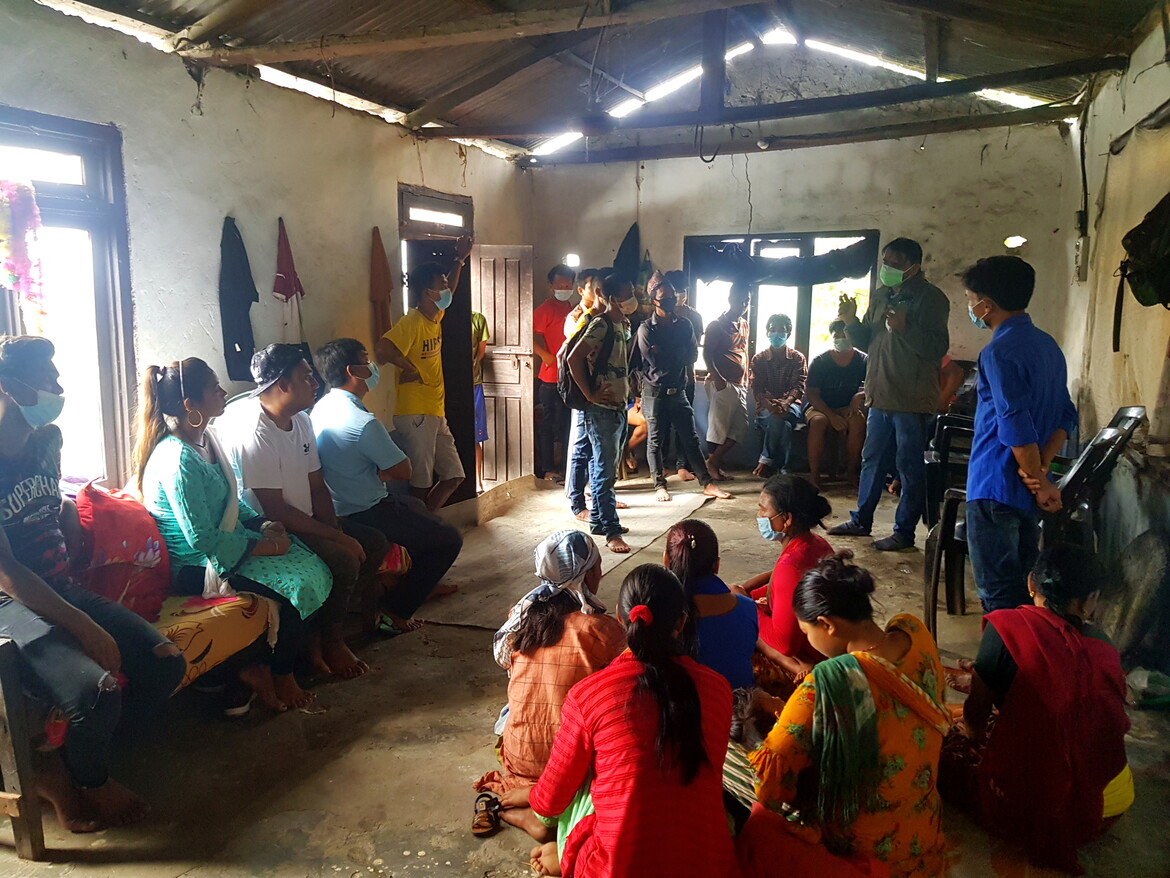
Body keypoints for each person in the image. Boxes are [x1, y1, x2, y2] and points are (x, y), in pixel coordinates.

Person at [0, 336, 186, 832]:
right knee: (97, 691)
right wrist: (83, 623)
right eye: (48, 378)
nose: (58, 388)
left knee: (165, 663)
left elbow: (54, 499)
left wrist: (70, 531)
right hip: (7, 604)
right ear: (11, 387)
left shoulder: (47, 439)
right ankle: (81, 781)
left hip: (58, 585)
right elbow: (8, 573)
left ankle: (86, 763)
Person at [514, 564, 738, 878]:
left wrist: (533, 795)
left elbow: (551, 801)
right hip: (707, 862)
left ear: (621, 618)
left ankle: (564, 851)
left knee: (587, 785)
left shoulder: (589, 695)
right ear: (682, 622)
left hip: (615, 867)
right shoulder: (717, 688)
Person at [135, 357, 333, 711]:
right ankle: (281, 674)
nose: (223, 391)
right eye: (215, 388)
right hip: (198, 566)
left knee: (309, 561)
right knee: (294, 586)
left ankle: (266, 666)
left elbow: (231, 498)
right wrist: (265, 548)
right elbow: (201, 539)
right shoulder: (177, 459)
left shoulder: (206, 438)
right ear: (189, 405)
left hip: (228, 544)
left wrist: (261, 524)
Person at [744, 553, 950, 877]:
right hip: (924, 829)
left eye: (807, 631)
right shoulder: (914, 631)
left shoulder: (826, 683)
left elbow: (770, 785)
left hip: (866, 852)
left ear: (827, 624)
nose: (808, 640)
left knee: (758, 828)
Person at [943, 544, 1132, 874]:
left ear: (1031, 583)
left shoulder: (1007, 629)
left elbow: (974, 724)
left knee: (938, 741)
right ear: (1091, 599)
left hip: (1035, 813)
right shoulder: (1105, 647)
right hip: (1107, 803)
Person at [214, 344, 386, 679]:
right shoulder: (256, 431)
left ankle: (323, 635)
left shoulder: (302, 420)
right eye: (306, 377)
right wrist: (336, 539)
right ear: (282, 385)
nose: (315, 382)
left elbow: (317, 484)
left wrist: (335, 528)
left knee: (373, 542)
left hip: (303, 518)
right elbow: (274, 509)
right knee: (342, 557)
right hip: (274, 527)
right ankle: (327, 643)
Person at [310, 339, 464, 635]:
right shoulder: (362, 421)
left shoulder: (321, 409)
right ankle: (395, 611)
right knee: (448, 540)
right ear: (354, 371)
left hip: (336, 503)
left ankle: (416, 584)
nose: (373, 367)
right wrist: (379, 473)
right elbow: (402, 469)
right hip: (363, 510)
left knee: (417, 508)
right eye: (366, 361)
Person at [473, 531, 625, 820]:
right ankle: (547, 815)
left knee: (516, 706)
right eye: (598, 565)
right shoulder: (601, 629)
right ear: (590, 573)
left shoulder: (520, 618)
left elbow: (509, 666)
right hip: (570, 768)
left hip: (519, 757)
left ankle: (532, 806)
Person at [962, 256, 1077, 611]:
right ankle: (1021, 662)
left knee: (997, 595)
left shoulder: (997, 352)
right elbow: (1065, 416)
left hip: (995, 485)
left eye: (970, 298)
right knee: (1026, 591)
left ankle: (999, 664)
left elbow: (1014, 424)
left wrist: (1037, 477)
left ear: (986, 305)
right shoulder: (1048, 346)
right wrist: (1040, 473)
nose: (970, 306)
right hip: (1027, 490)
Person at [830, 237, 949, 551]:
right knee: (871, 460)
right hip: (880, 394)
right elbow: (869, 342)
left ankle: (904, 532)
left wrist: (905, 328)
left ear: (914, 265)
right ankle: (861, 520)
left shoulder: (930, 298)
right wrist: (851, 320)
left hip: (910, 398)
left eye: (895, 263)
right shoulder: (882, 294)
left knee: (908, 465)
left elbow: (937, 347)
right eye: (886, 262)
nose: (888, 268)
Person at [375, 235, 473, 512]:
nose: (446, 289)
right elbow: (383, 347)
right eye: (439, 285)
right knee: (420, 481)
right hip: (415, 413)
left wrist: (459, 260)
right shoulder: (413, 321)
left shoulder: (435, 317)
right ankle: (419, 532)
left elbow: (452, 288)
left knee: (454, 475)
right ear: (426, 293)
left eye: (444, 284)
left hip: (434, 411)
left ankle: (426, 520)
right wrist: (408, 367)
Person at [637, 272, 732, 503]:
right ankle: (659, 484)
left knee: (690, 438)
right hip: (654, 392)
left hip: (678, 390)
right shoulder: (646, 329)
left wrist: (666, 352)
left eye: (672, 295)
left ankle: (707, 483)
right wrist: (673, 354)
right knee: (656, 440)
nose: (670, 300)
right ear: (653, 300)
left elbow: (691, 355)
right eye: (664, 296)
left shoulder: (685, 325)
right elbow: (654, 362)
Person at [737, 475, 834, 692]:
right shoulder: (815, 543)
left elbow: (784, 644)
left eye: (763, 511)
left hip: (815, 654)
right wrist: (747, 593)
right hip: (828, 643)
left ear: (786, 519)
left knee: (736, 646)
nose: (759, 516)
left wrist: (747, 607)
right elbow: (778, 587)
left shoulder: (790, 566)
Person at [565, 274, 637, 554]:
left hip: (618, 407)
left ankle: (598, 520)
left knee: (603, 469)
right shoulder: (601, 324)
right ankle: (611, 530)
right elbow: (574, 358)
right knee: (605, 473)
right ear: (614, 298)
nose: (633, 295)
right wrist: (590, 395)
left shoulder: (622, 325)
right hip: (602, 409)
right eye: (628, 290)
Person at [664, 519, 756, 689]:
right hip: (739, 707)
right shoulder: (746, 607)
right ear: (717, 565)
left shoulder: (657, 615)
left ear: (665, 561)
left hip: (678, 709)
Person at [805, 320, 867, 488]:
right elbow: (812, 394)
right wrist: (831, 416)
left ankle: (851, 471)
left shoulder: (862, 360)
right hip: (820, 407)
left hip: (847, 407)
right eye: (837, 335)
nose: (841, 338)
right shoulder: (820, 361)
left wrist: (858, 396)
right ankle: (815, 475)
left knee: (857, 421)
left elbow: (874, 384)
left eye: (844, 335)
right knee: (819, 422)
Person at [703, 282, 751, 481]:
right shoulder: (717, 325)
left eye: (747, 300)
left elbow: (743, 353)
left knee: (741, 426)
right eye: (741, 299)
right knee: (718, 429)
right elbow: (707, 354)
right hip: (722, 383)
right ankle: (712, 465)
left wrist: (746, 378)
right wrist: (717, 378)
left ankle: (713, 461)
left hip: (739, 384)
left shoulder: (744, 324)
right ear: (731, 299)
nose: (744, 303)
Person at [749, 313, 806, 478]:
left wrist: (785, 404)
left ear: (788, 333)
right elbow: (757, 389)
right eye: (773, 330)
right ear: (767, 332)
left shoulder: (797, 358)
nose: (777, 334)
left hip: (791, 406)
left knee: (778, 417)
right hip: (767, 406)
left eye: (781, 330)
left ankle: (766, 460)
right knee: (783, 425)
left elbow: (798, 386)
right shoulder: (759, 359)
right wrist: (770, 405)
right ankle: (784, 468)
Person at [534, 265, 577, 480]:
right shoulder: (546, 309)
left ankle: (567, 468)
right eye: (559, 284)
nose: (563, 288)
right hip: (550, 378)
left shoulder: (570, 308)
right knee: (548, 426)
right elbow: (526, 333)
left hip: (569, 376)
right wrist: (544, 355)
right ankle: (548, 469)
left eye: (567, 284)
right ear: (551, 286)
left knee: (567, 424)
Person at [664, 269, 705, 481]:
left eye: (682, 291)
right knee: (661, 424)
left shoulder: (694, 317)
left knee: (684, 422)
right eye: (675, 290)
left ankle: (682, 465)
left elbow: (693, 349)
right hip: (661, 378)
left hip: (686, 376)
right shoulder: (659, 316)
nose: (679, 295)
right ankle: (662, 465)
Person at [471, 309, 491, 493]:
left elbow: (481, 353)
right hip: (446, 386)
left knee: (475, 437)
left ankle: (477, 480)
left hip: (474, 384)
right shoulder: (440, 317)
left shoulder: (477, 319)